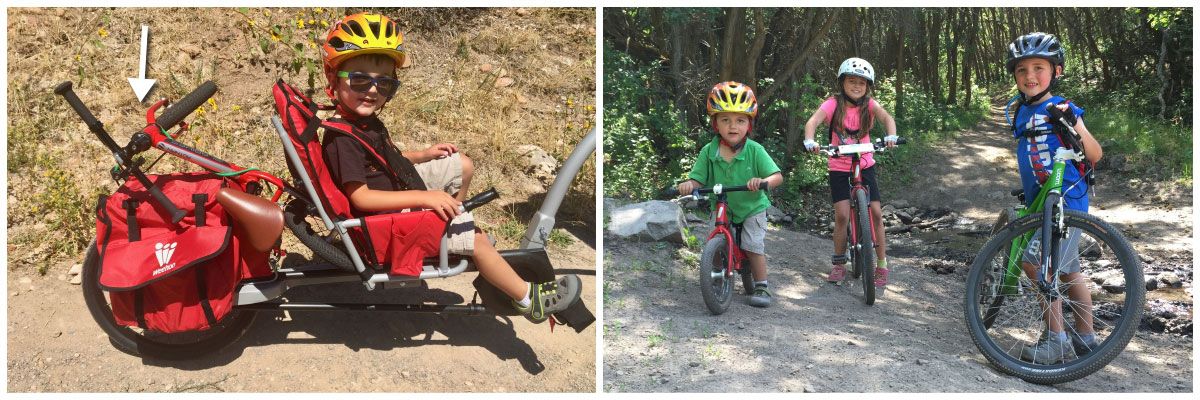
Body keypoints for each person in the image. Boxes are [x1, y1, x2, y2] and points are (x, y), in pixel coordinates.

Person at [318, 12, 580, 323]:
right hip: (384, 221)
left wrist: (423, 155)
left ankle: (452, 235)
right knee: (478, 240)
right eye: (360, 79)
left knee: (461, 166)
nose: (372, 90)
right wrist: (426, 199)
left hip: (398, 192)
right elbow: (361, 198)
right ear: (334, 80)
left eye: (384, 83)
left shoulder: (363, 124)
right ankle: (527, 298)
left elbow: (383, 160)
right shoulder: (341, 139)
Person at [1005, 32, 1103, 364]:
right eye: (1021, 70)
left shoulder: (1062, 107)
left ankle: (1057, 337)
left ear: (1056, 71)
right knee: (1068, 270)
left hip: (1066, 202)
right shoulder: (1019, 111)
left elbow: (1094, 153)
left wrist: (1071, 125)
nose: (1030, 76)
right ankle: (1086, 337)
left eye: (1038, 68)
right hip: (1041, 202)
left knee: (1035, 264)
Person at [676, 82, 783, 308]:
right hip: (723, 205)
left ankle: (762, 285)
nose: (733, 126)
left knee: (752, 244)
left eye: (740, 120)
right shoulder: (709, 151)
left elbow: (776, 176)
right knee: (715, 239)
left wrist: (762, 181)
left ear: (749, 124)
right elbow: (698, 178)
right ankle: (715, 272)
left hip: (751, 207)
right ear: (716, 123)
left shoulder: (755, 150)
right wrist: (689, 184)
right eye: (726, 120)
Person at [801, 57, 898, 288]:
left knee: (875, 212)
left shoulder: (869, 105)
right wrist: (809, 140)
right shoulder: (833, 104)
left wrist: (891, 135)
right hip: (839, 165)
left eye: (862, 83)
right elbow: (813, 121)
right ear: (842, 83)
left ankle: (882, 264)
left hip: (864, 163)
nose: (857, 86)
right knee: (842, 215)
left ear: (868, 87)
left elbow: (886, 118)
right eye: (852, 81)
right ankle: (838, 263)